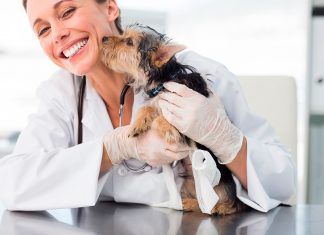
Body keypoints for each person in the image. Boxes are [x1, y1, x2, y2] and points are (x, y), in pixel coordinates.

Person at [0, 0, 295, 212]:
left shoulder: (201, 76)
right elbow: (12, 186)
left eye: (67, 11)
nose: (58, 33)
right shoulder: (59, 94)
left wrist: (224, 138)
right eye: (43, 30)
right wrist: (113, 148)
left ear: (110, 8)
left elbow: (282, 181)